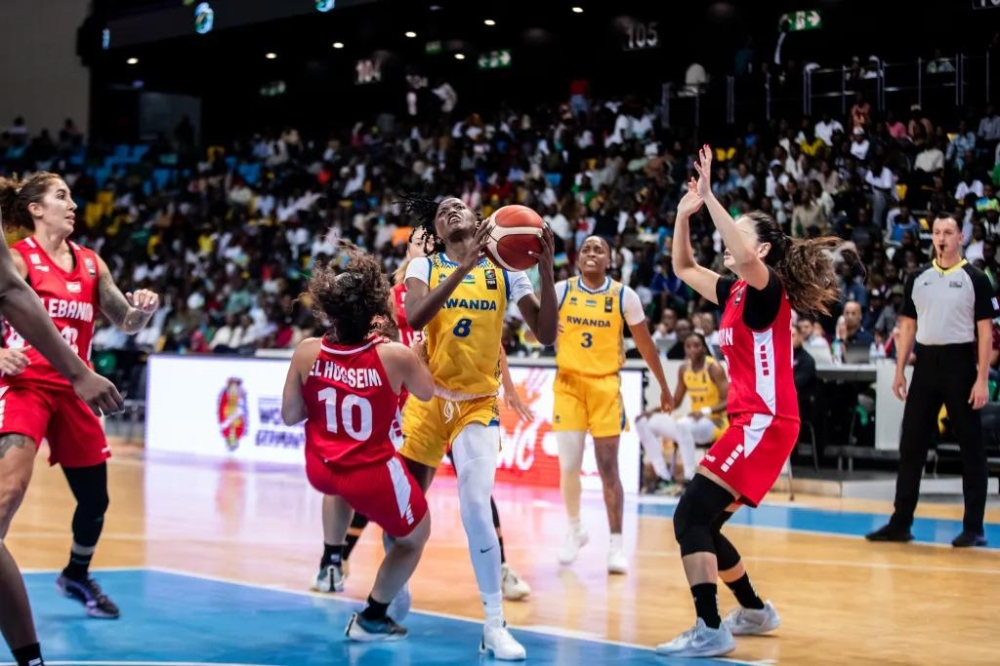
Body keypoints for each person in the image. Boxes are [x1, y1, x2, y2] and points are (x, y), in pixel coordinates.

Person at [657, 146, 842, 658]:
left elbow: (737, 253)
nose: (732, 242)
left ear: (760, 251)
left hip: (765, 421)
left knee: (689, 514)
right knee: (703, 522)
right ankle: (755, 610)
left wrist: (712, 196)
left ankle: (710, 628)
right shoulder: (735, 292)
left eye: (741, 233)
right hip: (752, 423)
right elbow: (682, 265)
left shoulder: (766, 286)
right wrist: (682, 214)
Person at [319, 227, 532, 603]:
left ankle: (500, 569)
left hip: (455, 396)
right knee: (388, 491)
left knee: (477, 492)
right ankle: (341, 561)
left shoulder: (454, 283)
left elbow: (489, 337)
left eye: (432, 242)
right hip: (403, 403)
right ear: (408, 249)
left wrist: (510, 386)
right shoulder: (387, 296)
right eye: (421, 241)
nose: (428, 245)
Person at [395, 194, 558, 660]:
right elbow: (415, 316)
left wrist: (545, 270)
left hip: (477, 404)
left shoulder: (507, 268)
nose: (449, 211)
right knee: (405, 510)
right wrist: (463, 267)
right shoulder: (423, 267)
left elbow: (545, 334)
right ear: (438, 232)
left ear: (477, 219)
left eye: (458, 206)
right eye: (441, 211)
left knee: (473, 504)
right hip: (428, 398)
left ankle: (494, 624)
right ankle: (397, 585)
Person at [0, 174, 126, 666]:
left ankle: (76, 573)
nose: (73, 204)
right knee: (8, 495)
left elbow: (125, 321)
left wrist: (139, 310)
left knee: (96, 500)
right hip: (30, 384)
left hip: (77, 389)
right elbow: (12, 300)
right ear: (34, 209)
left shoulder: (93, 264)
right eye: (61, 196)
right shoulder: (18, 257)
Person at [282, 250, 434, 641]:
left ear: (328, 310)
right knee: (415, 537)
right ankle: (373, 617)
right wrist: (417, 355)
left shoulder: (306, 351)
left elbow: (290, 415)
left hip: (321, 468)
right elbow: (427, 392)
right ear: (375, 314)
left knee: (338, 487)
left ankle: (332, 558)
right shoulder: (394, 355)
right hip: (370, 473)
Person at [866, 213, 996, 548]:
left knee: (971, 448)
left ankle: (974, 528)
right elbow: (907, 326)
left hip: (961, 364)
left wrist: (982, 378)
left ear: (960, 237)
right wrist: (899, 371)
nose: (942, 238)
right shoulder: (918, 277)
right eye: (937, 232)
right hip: (925, 364)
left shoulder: (976, 278)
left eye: (948, 232)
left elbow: (986, 333)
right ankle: (900, 522)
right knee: (911, 444)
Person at [553, 235, 671, 573]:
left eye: (599, 249)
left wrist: (663, 385)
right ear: (578, 259)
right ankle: (575, 529)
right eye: (586, 249)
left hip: (605, 386)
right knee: (569, 466)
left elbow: (647, 345)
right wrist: (545, 328)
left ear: (610, 260)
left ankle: (616, 545)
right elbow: (534, 334)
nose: (591, 253)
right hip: (568, 385)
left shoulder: (624, 296)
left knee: (608, 467)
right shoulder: (562, 291)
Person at [637, 332, 729, 495]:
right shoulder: (684, 369)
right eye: (688, 346)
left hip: (715, 423)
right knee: (643, 423)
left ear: (703, 348)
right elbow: (676, 402)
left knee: (683, 424)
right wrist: (653, 411)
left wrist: (704, 411)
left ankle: (689, 479)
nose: (692, 350)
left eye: (696, 346)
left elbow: (729, 400)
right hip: (691, 425)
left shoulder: (713, 367)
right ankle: (664, 476)